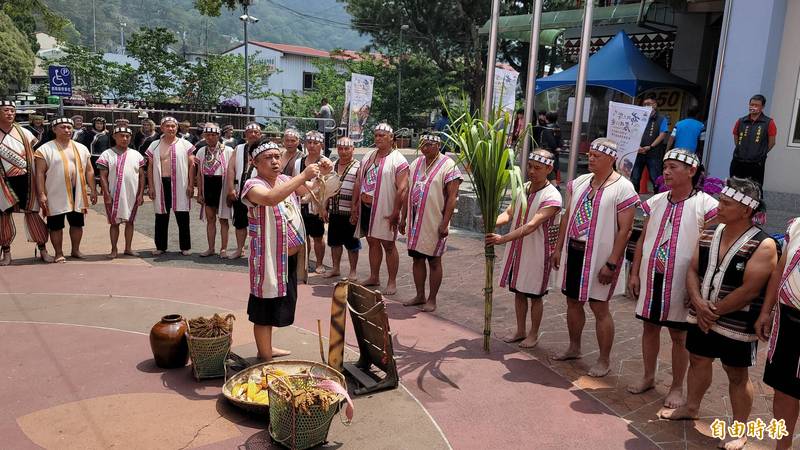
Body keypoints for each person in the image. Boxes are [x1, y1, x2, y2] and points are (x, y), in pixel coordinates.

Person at [661, 178, 776, 450]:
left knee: (736, 374)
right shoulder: (710, 232)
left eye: (726, 203)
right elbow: (692, 269)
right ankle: (691, 406)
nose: (719, 206)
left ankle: (739, 430)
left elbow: (750, 290)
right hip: (702, 313)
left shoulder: (764, 243)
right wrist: (700, 304)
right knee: (698, 359)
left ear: (745, 210)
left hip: (736, 320)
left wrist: (711, 311)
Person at [627, 149, 719, 408]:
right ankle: (648, 376)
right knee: (649, 327)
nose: (666, 172)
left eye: (673, 167)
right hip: (651, 275)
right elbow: (643, 238)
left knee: (678, 334)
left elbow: (708, 248)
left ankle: (677, 387)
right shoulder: (656, 201)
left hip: (682, 282)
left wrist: (698, 287)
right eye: (665, 166)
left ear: (691, 171)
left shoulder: (707, 205)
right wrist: (634, 273)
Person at [550, 138, 639, 377]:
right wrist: (558, 248)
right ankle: (574, 346)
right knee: (572, 302)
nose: (590, 158)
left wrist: (612, 262)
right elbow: (567, 216)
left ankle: (604, 359)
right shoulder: (579, 182)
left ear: (611, 159)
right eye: (589, 154)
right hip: (574, 251)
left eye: (596, 156)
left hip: (601, 257)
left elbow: (626, 229)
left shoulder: (623, 187)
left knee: (599, 306)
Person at [241, 140, 323, 361]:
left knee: (277, 304)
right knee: (264, 307)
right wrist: (303, 175)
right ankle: (264, 355)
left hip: (289, 260)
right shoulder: (252, 185)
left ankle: (267, 348)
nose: (275, 161)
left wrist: (323, 175)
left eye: (277, 156)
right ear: (255, 163)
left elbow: (309, 192)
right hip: (268, 260)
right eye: (268, 158)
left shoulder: (286, 179)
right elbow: (270, 198)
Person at [487, 149, 561, 347]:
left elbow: (531, 226)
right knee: (519, 291)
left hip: (538, 251)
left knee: (535, 295)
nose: (532, 171)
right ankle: (520, 330)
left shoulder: (552, 196)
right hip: (519, 249)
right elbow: (509, 213)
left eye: (537, 168)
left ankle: (533, 334)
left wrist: (502, 239)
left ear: (549, 169)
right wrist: (491, 222)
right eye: (530, 166)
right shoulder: (523, 188)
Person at [398, 134, 462, 312]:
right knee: (417, 258)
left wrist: (445, 222)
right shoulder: (417, 163)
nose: (425, 148)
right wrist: (403, 218)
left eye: (429, 145)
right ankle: (420, 295)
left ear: (438, 145)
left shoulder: (449, 165)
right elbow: (408, 191)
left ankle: (432, 299)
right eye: (422, 145)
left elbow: (452, 197)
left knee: (434, 260)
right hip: (414, 220)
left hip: (434, 220)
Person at [756, 217, 800, 450]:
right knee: (783, 390)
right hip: (788, 321)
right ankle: (781, 447)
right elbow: (780, 269)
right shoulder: (796, 226)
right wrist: (767, 310)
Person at [353, 123, 409, 295]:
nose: (378, 138)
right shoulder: (369, 156)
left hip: (385, 208)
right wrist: (355, 205)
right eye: (376, 135)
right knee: (372, 241)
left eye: (382, 136)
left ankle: (392, 282)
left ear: (391, 138)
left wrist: (396, 212)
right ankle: (374, 276)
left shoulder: (399, 160)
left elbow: (402, 189)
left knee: (389, 244)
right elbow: (358, 181)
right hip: (366, 206)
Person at [34, 117, 97, 263]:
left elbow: (89, 170)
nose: (67, 130)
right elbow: (39, 173)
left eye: (69, 127)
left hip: (78, 191)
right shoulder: (44, 149)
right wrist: (42, 193)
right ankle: (59, 253)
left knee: (77, 223)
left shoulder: (81, 148)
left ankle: (75, 250)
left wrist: (93, 189)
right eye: (63, 127)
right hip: (55, 192)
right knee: (56, 225)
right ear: (54, 129)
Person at [0, 100, 52, 264]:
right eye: (6, 110)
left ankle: (43, 249)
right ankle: (6, 253)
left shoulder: (24, 133)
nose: (10, 113)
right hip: (2, 181)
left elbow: (37, 154)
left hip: (26, 179)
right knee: (3, 215)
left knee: (33, 213)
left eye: (12, 110)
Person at [146, 116, 196, 256]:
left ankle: (185, 246)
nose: (171, 128)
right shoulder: (154, 145)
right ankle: (161, 246)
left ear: (177, 128)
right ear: (162, 128)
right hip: (161, 183)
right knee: (161, 215)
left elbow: (192, 165)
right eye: (167, 126)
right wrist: (151, 186)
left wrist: (191, 185)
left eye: (173, 126)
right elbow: (149, 167)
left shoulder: (185, 144)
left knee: (182, 214)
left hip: (180, 183)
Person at [97, 126, 145, 258]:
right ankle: (114, 249)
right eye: (121, 135)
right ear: (114, 137)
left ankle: (128, 248)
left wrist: (140, 194)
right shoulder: (107, 154)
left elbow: (141, 176)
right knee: (114, 223)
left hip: (131, 194)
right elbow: (103, 176)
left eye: (127, 136)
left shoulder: (136, 155)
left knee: (130, 222)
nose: (124, 138)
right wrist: (106, 194)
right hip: (114, 195)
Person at [321, 137, 361, 280]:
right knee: (334, 242)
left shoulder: (359, 166)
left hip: (350, 212)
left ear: (353, 149)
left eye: (347, 148)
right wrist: (324, 207)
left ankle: (353, 271)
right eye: (340, 148)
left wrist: (355, 209)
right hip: (335, 210)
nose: (343, 152)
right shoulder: (332, 165)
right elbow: (325, 187)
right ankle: (335, 268)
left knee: (352, 244)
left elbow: (360, 189)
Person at [196, 123, 234, 258]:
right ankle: (211, 248)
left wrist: (231, 190)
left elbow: (231, 172)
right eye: (207, 135)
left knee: (223, 219)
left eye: (213, 135)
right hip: (208, 185)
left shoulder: (228, 150)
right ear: (204, 136)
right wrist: (199, 193)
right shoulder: (201, 151)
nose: (210, 138)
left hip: (222, 186)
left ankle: (223, 249)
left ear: (218, 135)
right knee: (210, 218)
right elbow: (199, 175)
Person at [226, 122, 262, 259]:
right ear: (245, 134)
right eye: (250, 132)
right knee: (240, 223)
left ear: (260, 134)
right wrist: (230, 189)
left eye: (256, 132)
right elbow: (231, 169)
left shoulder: (265, 149)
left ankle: (259, 251)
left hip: (258, 192)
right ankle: (240, 249)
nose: (253, 134)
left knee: (259, 223)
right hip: (240, 190)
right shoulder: (239, 148)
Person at [296, 131, 330, 273]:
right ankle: (304, 262)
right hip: (301, 203)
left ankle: (319, 263)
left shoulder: (326, 163)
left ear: (321, 145)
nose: (311, 146)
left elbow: (329, 186)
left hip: (317, 205)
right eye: (309, 142)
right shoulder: (299, 162)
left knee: (317, 236)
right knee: (303, 237)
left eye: (315, 143)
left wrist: (324, 207)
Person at [730, 94, 776, 186]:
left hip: (756, 163)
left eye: (756, 105)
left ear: (762, 107)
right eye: (751, 104)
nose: (753, 107)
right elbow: (736, 137)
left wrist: (761, 153)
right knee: (734, 187)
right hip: (738, 161)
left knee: (754, 189)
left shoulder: (769, 122)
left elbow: (772, 142)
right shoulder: (741, 121)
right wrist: (740, 149)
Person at [631, 93, 669, 194]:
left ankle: (659, 200)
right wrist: (636, 145)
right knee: (635, 178)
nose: (646, 106)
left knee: (655, 179)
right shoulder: (638, 118)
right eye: (644, 104)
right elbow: (632, 132)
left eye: (649, 103)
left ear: (655, 105)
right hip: (638, 152)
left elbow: (663, 134)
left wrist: (650, 146)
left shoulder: (661, 119)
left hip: (653, 153)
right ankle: (634, 202)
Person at [539, 111, 563, 185]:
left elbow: (551, 141)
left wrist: (554, 147)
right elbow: (560, 140)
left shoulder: (547, 129)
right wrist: (558, 147)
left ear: (547, 118)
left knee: (549, 171)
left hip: (548, 152)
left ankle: (555, 186)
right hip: (555, 153)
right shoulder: (557, 127)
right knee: (553, 170)